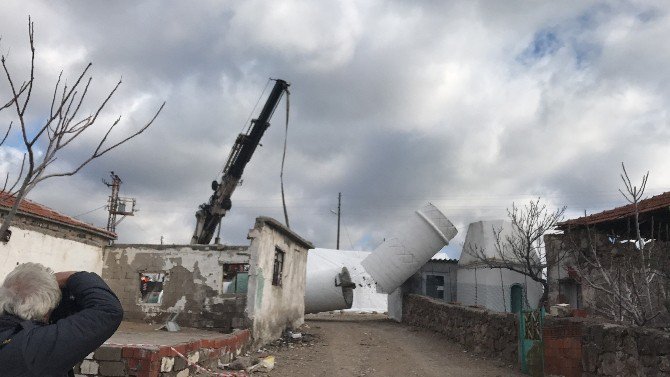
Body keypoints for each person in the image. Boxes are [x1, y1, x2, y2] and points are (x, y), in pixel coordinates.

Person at [0, 262, 123, 376]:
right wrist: (72, 276)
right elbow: (108, 310)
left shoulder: (8, 333)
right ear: (46, 307)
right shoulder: (32, 348)